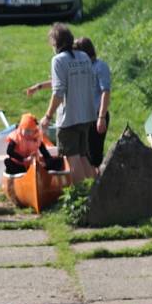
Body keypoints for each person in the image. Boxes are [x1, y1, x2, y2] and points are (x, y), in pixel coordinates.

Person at [37, 23, 96, 185]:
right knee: (83, 155)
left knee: (73, 157)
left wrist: (48, 116)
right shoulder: (84, 57)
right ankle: (95, 192)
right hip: (87, 115)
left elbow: (58, 92)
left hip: (69, 118)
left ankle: (82, 196)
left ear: (55, 43)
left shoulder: (58, 61)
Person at [73, 36, 111, 169]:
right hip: (85, 117)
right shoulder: (82, 68)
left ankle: (100, 182)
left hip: (97, 115)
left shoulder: (100, 67)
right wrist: (39, 86)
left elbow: (105, 92)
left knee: (95, 154)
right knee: (85, 152)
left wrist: (101, 117)